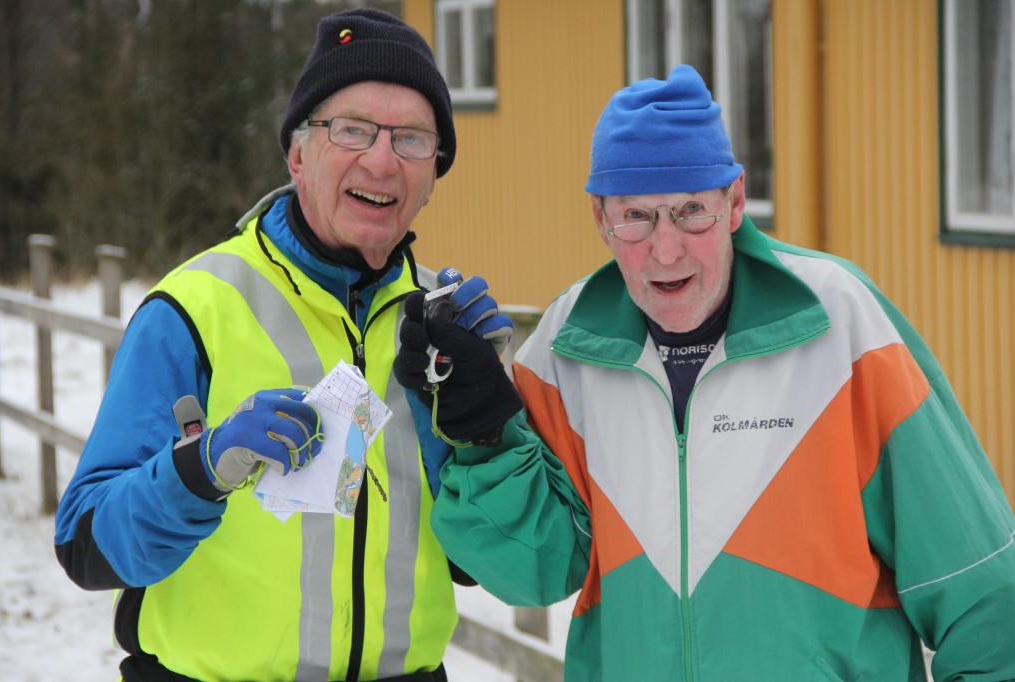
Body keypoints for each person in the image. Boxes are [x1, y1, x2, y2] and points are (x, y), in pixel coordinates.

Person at [395, 65, 1015, 680]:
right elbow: (530, 571)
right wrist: (482, 432)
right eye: (636, 216)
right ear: (600, 217)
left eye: (692, 210)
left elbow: (980, 590)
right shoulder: (565, 349)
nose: (666, 250)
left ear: (736, 201)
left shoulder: (842, 325)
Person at [54, 8, 512, 681]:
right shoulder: (193, 308)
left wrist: (488, 420)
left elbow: (483, 563)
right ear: (298, 155)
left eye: (413, 139)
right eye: (352, 129)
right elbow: (86, 546)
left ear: (433, 175)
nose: (382, 159)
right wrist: (201, 469)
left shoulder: (442, 329)